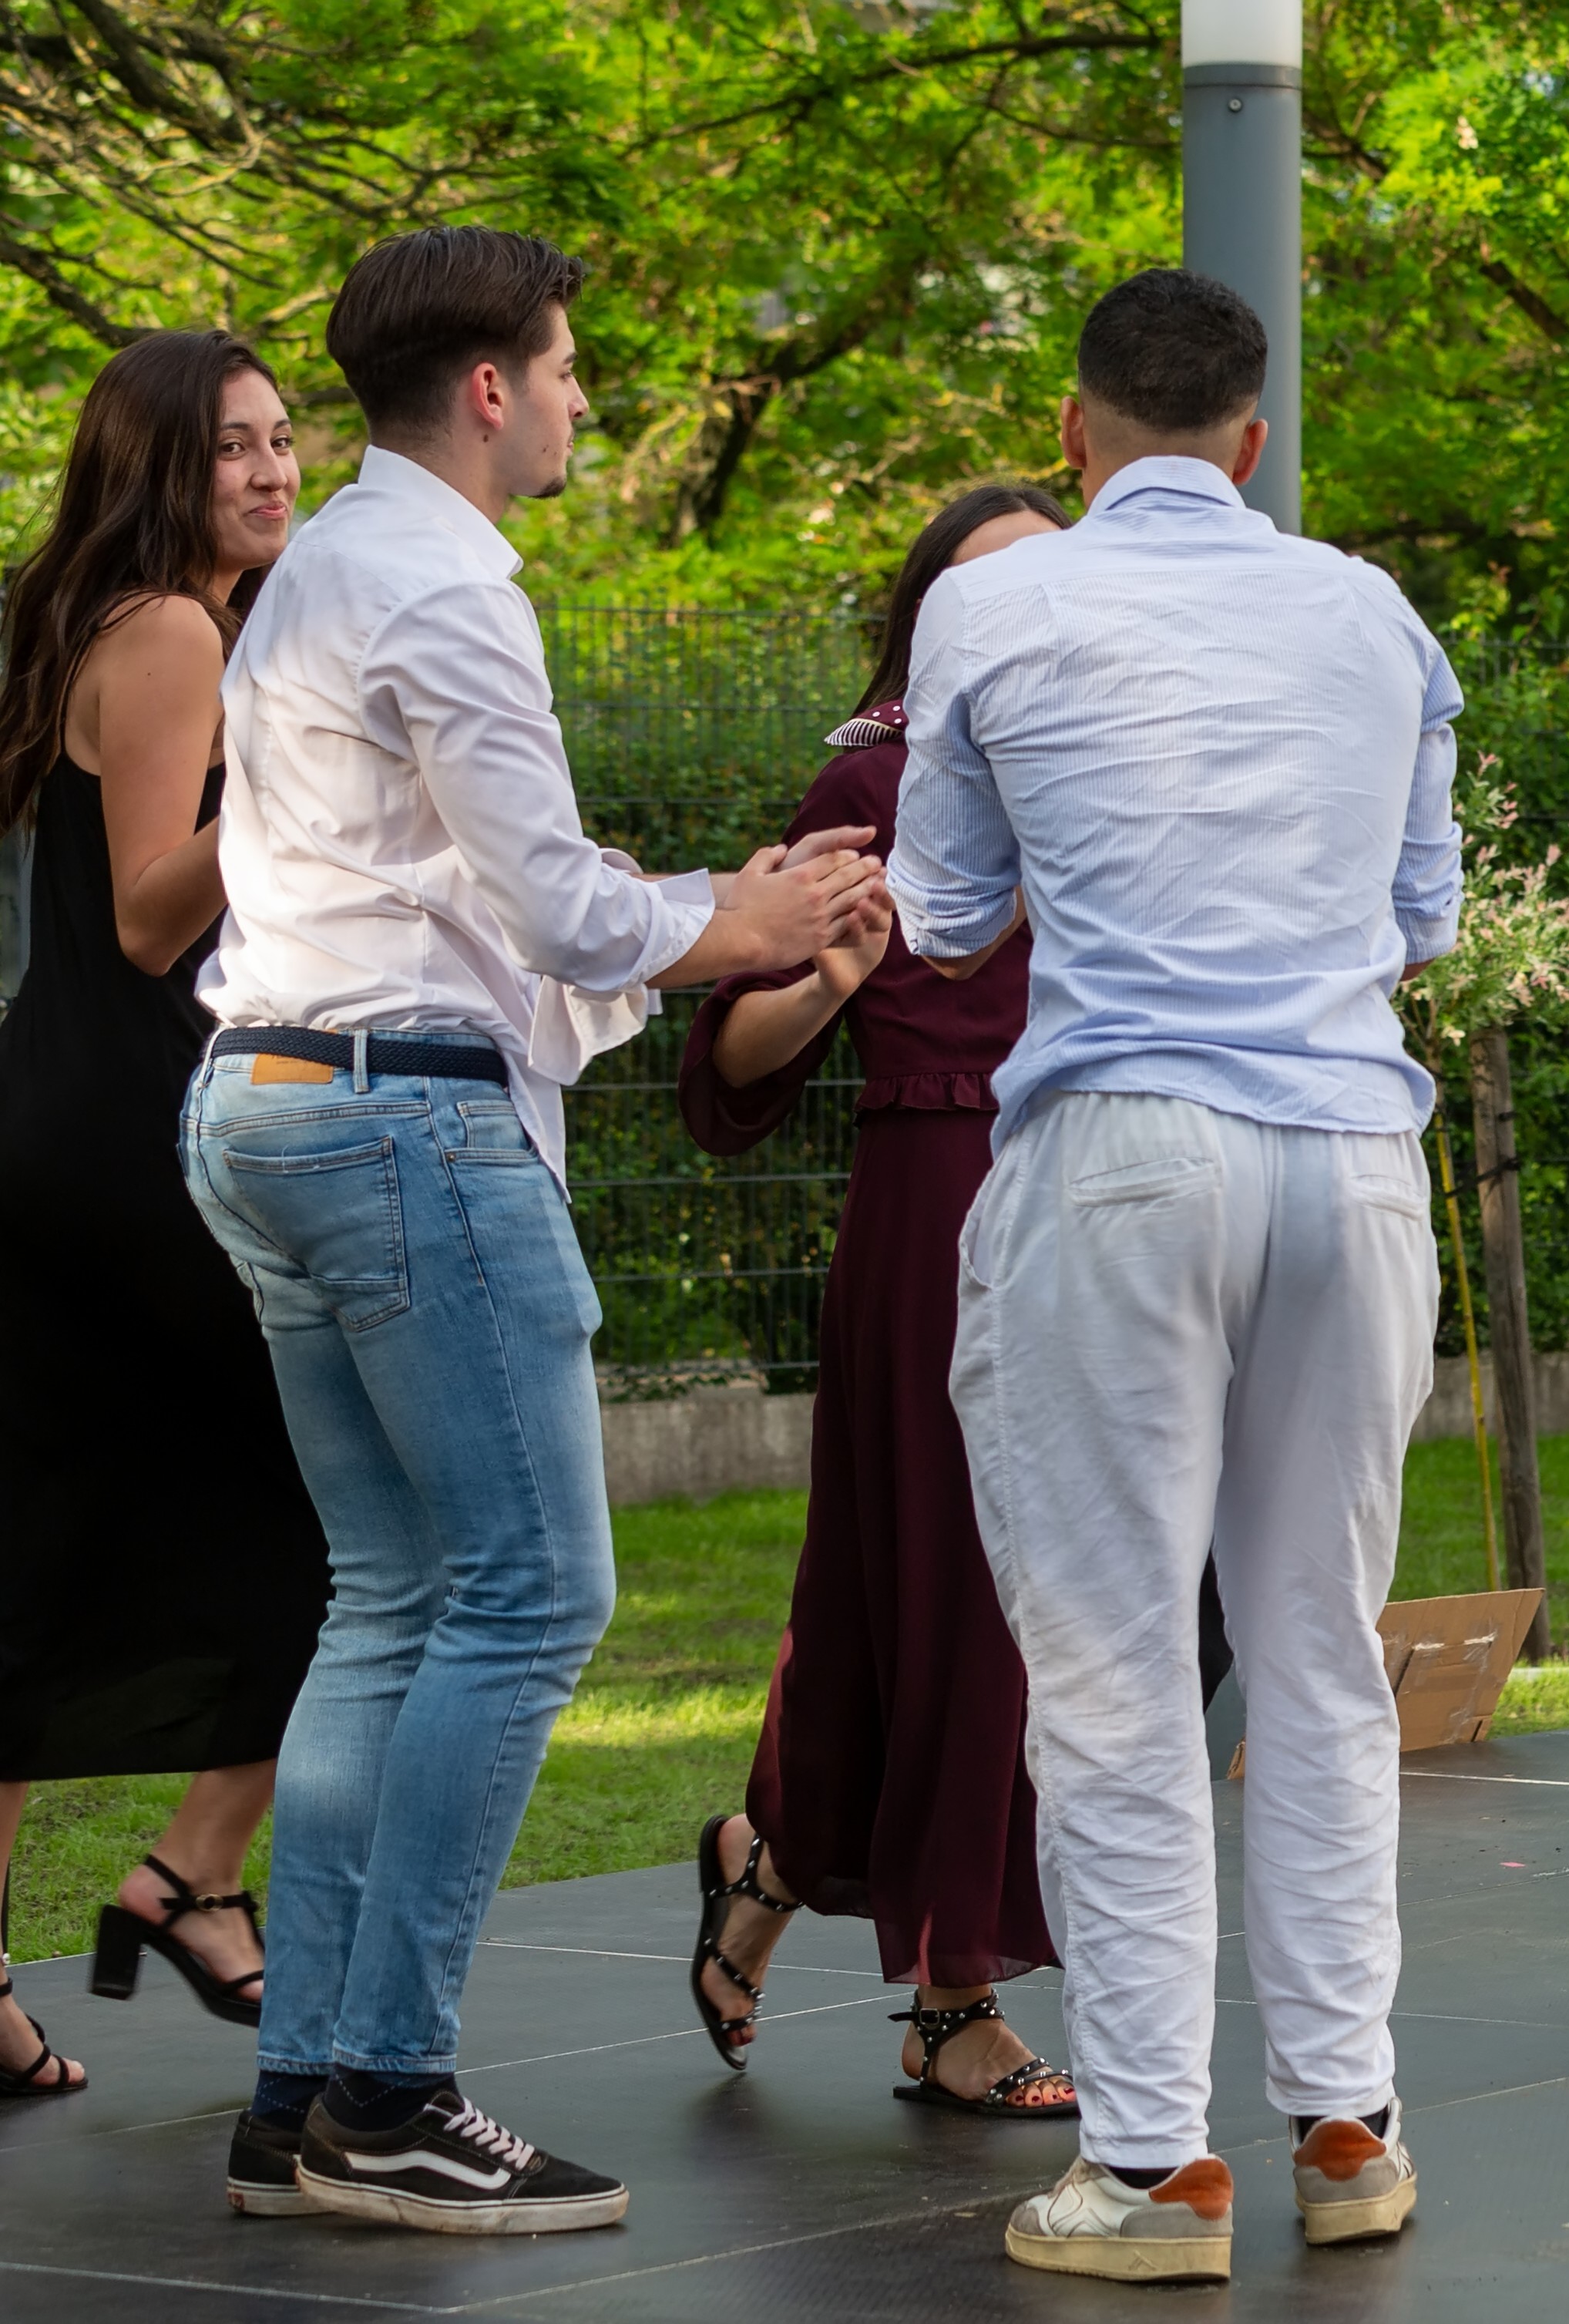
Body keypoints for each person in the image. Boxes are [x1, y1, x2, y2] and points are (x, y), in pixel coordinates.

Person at [186, 225, 883, 2231]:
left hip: (272, 1098)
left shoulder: (325, 566)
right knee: (528, 1597)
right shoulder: (447, 587)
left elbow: (484, 903)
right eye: (568, 367)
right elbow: (570, 920)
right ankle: (393, 2089)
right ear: (489, 388)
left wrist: (708, 905)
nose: (583, 397)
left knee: (394, 1599)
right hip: (401, 1123)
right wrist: (746, 918)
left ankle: (307, 2094)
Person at [888, 268, 1458, 2286]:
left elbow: (942, 910)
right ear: (1252, 436)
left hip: (1123, 1148)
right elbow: (1418, 912)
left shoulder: (992, 607)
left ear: (1073, 432)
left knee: (1116, 1666)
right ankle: (1349, 2123)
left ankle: (1146, 2161)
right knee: (1318, 1648)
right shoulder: (1372, 615)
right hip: (1350, 1151)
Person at [676, 483, 1114, 2119]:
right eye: (981, 588)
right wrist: (831, 978)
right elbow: (726, 1067)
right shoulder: (870, 783)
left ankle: (775, 1857)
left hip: (1106, 1194)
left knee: (939, 1607)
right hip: (937, 1202)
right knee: (965, 1601)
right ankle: (952, 2000)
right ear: (927, 619)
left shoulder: (1120, 767)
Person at [0, 331, 331, 2103]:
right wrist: (301, 774)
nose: (275, 472)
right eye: (232, 449)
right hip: (133, 1136)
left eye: (284, 438)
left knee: (45, 1548)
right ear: (155, 467)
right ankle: (195, 1874)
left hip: (77, 1122)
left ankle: (161, 1890)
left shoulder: (127, 620)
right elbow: (147, 914)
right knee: (365, 1502)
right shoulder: (173, 632)